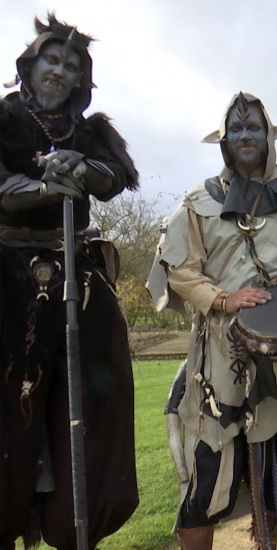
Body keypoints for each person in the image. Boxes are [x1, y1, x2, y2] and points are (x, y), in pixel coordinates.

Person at [146, 93, 277, 549]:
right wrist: (222, 298)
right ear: (224, 140)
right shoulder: (199, 201)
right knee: (205, 475)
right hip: (220, 355)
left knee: (273, 474)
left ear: (269, 136)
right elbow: (179, 271)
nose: (245, 136)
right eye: (236, 129)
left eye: (254, 128)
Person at [0, 13, 139, 549]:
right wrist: (39, 188)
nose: (59, 70)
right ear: (29, 66)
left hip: (77, 285)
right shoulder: (3, 119)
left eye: (71, 64)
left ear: (82, 79)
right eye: (51, 60)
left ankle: (77, 529)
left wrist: (84, 169)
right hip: (9, 283)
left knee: (93, 407)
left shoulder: (91, 131)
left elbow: (116, 177)